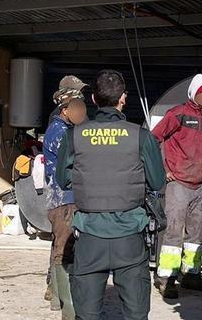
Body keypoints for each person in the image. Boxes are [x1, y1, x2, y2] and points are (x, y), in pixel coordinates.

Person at [56, 70, 166, 320]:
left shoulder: (74, 135)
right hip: (129, 238)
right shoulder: (140, 136)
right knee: (136, 313)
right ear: (123, 98)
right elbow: (157, 181)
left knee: (87, 314)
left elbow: (63, 180)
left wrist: (89, 178)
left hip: (89, 238)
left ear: (93, 99)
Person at [151, 73, 202, 298]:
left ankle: (191, 275)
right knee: (173, 234)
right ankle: (166, 278)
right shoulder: (176, 114)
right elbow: (153, 139)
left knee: (197, 234)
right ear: (193, 93)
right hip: (178, 184)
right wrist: (163, 170)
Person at [42, 86, 89, 319]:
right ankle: (67, 308)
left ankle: (56, 297)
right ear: (64, 109)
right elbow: (75, 163)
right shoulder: (60, 132)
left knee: (61, 247)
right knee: (64, 249)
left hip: (65, 198)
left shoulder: (67, 129)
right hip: (63, 199)